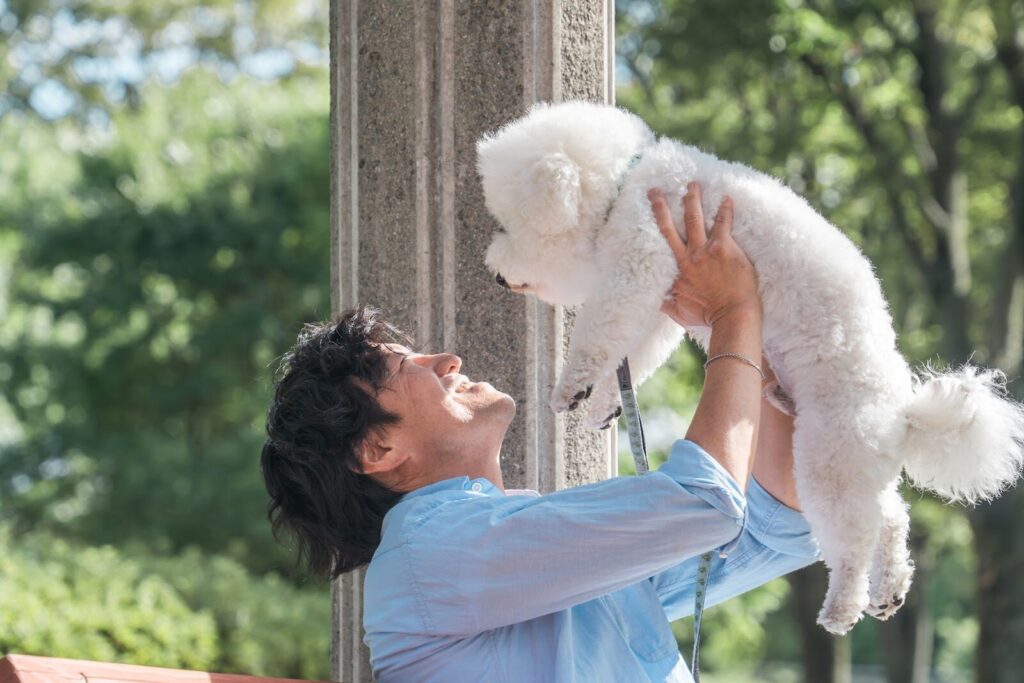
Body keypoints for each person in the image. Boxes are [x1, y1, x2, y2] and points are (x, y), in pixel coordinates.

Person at [260, 182, 821, 682]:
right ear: (376, 448)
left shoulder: (508, 549)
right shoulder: (426, 552)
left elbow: (775, 527)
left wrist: (762, 358)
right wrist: (733, 311)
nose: (449, 360)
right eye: (408, 369)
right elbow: (709, 505)